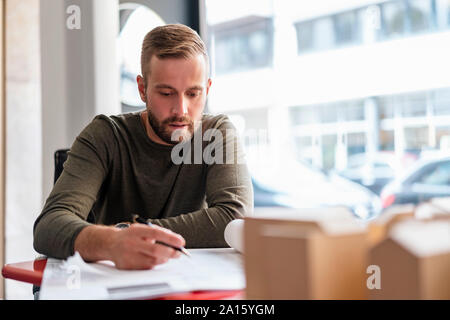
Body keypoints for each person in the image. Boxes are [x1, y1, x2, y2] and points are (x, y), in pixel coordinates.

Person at [33, 24, 253, 270]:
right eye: (166, 93)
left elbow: (235, 218)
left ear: (208, 90)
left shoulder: (217, 134)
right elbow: (49, 226)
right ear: (142, 89)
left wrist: (130, 232)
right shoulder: (105, 136)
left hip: (191, 289)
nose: (181, 110)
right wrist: (111, 243)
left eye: (193, 94)